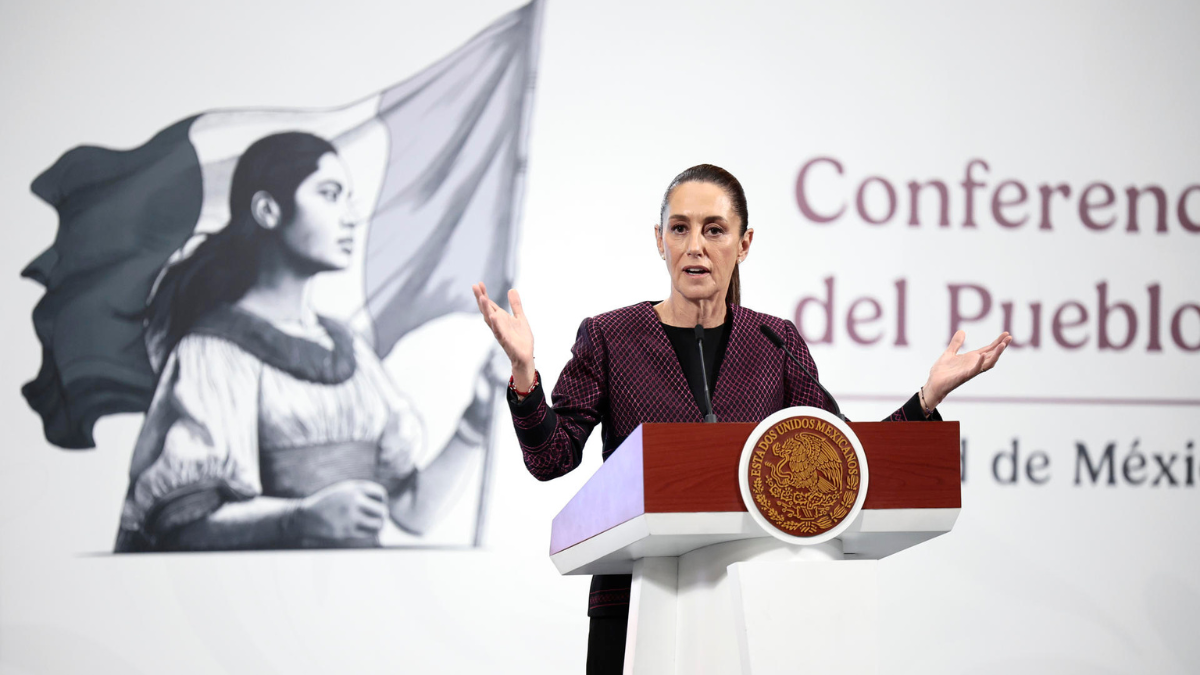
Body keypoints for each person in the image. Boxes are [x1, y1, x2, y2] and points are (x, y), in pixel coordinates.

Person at [472, 163, 1012, 673]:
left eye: (714, 230)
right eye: (679, 229)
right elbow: (551, 457)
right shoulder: (611, 337)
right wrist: (524, 373)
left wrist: (925, 400)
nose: (695, 247)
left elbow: (842, 460)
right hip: (634, 598)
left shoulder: (774, 342)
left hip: (757, 600)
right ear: (658, 240)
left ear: (744, 243)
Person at [115, 131, 489, 552]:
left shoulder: (351, 352)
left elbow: (411, 511)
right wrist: (300, 518)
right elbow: (182, 527)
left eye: (348, 197)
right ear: (268, 210)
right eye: (329, 195)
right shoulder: (214, 352)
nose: (349, 216)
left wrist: (476, 419)